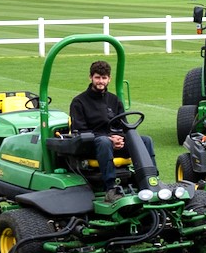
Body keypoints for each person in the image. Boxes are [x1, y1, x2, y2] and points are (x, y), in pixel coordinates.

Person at [66, 60, 159, 190]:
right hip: (92, 146)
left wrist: (120, 138)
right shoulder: (79, 102)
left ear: (109, 79)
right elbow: (80, 131)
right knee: (104, 142)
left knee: (145, 140)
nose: (100, 81)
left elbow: (123, 126)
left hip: (115, 142)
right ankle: (111, 186)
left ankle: (152, 180)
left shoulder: (114, 100)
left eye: (104, 78)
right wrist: (110, 139)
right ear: (91, 77)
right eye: (97, 77)